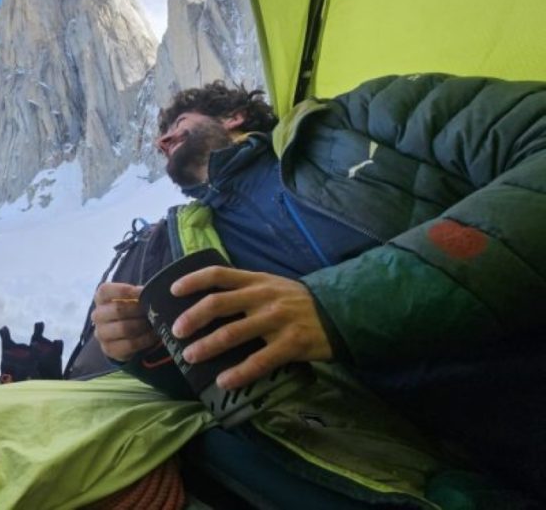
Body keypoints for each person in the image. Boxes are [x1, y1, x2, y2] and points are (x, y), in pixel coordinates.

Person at [88, 75, 546, 504]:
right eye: (160, 139)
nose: (163, 141)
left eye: (178, 125)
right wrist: (147, 352)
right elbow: (239, 394)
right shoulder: (199, 247)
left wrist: (335, 306)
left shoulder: (356, 118)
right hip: (447, 465)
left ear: (233, 116)